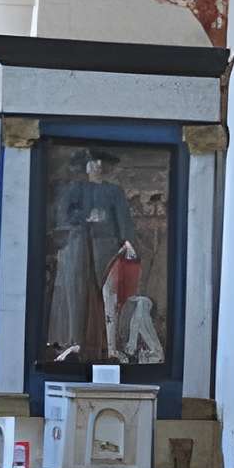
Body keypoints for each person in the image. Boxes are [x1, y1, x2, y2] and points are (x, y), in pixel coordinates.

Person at [43, 150, 138, 365]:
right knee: (78, 293)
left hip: (106, 247)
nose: (97, 166)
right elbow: (63, 216)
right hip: (78, 247)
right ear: (85, 167)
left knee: (108, 294)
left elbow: (123, 219)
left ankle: (110, 347)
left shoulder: (114, 191)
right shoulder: (75, 189)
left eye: (100, 162)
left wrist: (127, 241)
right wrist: (85, 218)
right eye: (92, 163)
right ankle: (77, 342)